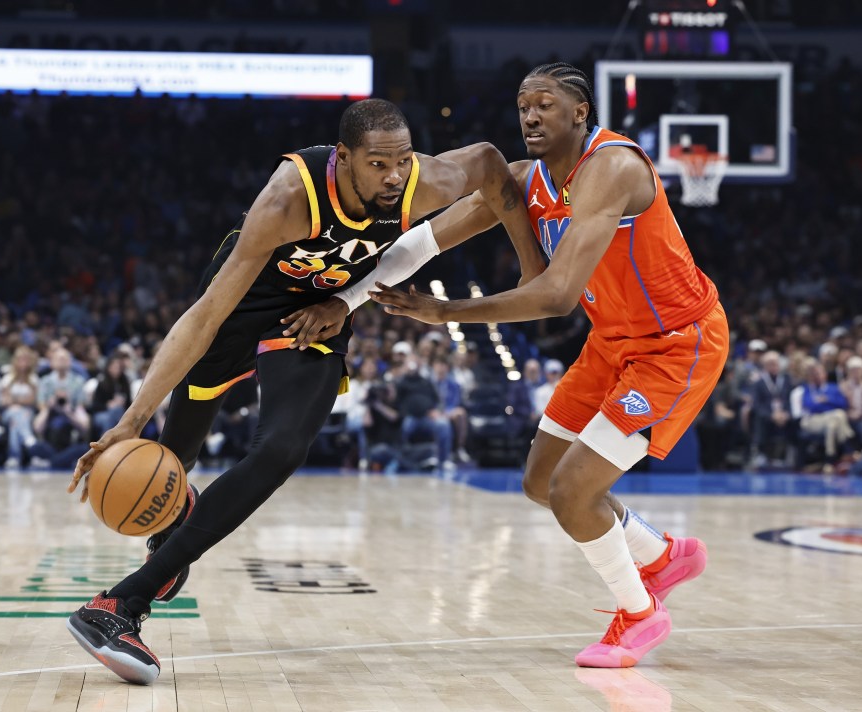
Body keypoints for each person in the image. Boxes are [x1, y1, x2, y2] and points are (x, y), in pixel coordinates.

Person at [64, 98, 544, 684]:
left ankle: (119, 605)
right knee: (175, 456)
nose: (394, 177)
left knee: (282, 449)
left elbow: (495, 166)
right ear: (343, 158)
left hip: (316, 314)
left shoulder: (421, 180)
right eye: (377, 165)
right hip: (243, 306)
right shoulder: (289, 199)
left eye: (402, 160)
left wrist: (531, 265)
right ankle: (174, 522)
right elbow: (205, 314)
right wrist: (132, 420)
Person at [301, 64, 728, 668]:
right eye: (524, 105)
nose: (530, 115)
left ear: (580, 113)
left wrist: (446, 310)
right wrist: (341, 300)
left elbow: (556, 296)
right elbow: (426, 243)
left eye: (546, 105)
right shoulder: (524, 179)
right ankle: (661, 556)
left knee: (574, 491)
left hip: (675, 345)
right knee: (540, 483)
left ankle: (640, 612)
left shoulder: (613, 168)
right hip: (612, 341)